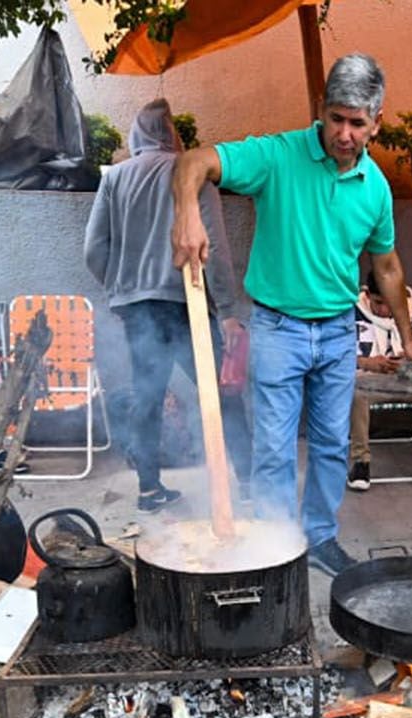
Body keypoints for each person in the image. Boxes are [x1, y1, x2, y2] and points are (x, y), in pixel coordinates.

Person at [170, 55, 412, 576]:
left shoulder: (375, 187)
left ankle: (321, 538)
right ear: (320, 110)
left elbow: (389, 267)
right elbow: (193, 162)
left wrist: (409, 337)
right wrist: (187, 215)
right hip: (277, 328)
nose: (345, 134)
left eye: (357, 123)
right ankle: (275, 547)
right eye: (337, 118)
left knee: (332, 447)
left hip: (336, 332)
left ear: (377, 121)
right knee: (275, 451)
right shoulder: (278, 155)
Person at [85, 98, 252, 513]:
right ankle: (249, 482)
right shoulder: (192, 174)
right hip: (185, 305)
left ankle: (148, 490)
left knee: (146, 397)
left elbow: (93, 249)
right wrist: (228, 311)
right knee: (219, 394)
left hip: (138, 309)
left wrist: (121, 288)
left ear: (135, 134)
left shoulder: (115, 178)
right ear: (172, 133)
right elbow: (215, 246)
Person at [349, 284, 412, 494]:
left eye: (390, 303)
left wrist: (411, 356)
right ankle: (361, 462)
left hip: (408, 374)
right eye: (379, 303)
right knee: (355, 391)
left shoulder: (408, 312)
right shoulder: (351, 313)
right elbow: (336, 353)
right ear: (367, 295)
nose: (386, 310)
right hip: (370, 378)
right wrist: (368, 363)